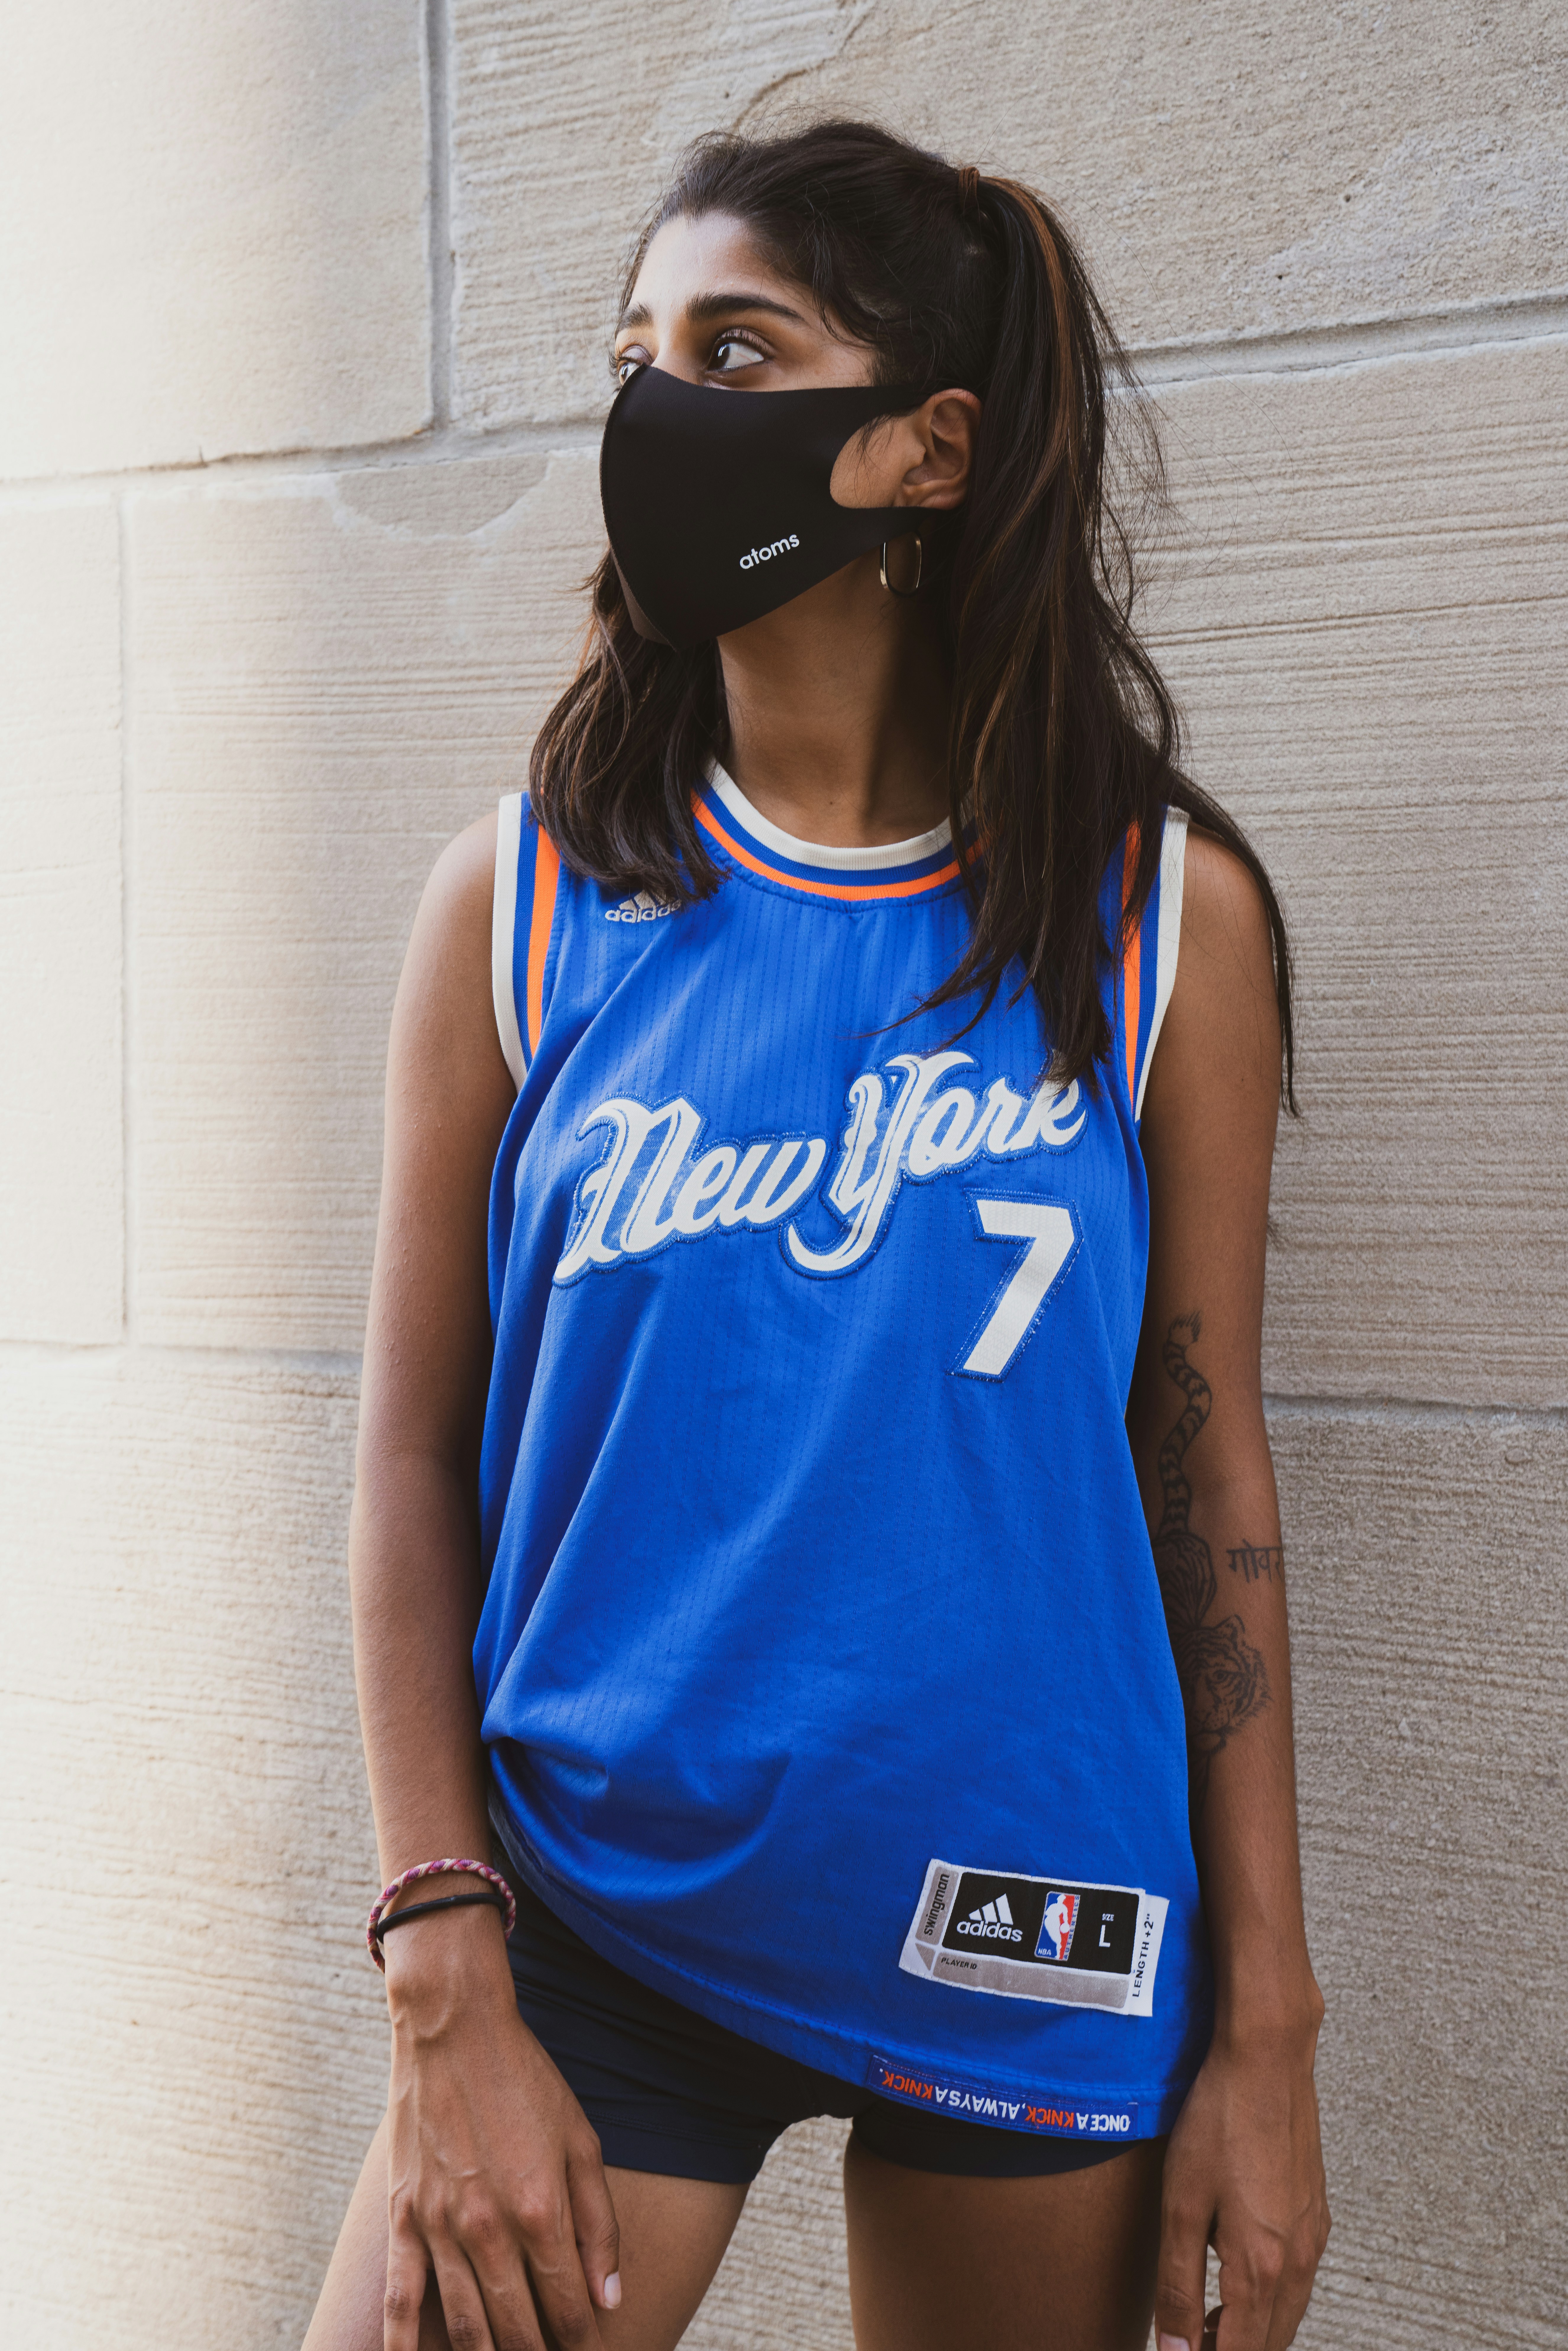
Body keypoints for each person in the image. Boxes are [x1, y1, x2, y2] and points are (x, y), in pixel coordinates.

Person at [303, 119, 1329, 2351]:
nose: (655, 414)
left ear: (923, 451)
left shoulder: (1159, 920)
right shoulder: (531, 901)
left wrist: (1269, 2033)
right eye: (634, 356)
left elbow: (1204, 1473)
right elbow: (406, 1459)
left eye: (734, 350)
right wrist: (437, 1952)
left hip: (1031, 1911)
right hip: (587, 1908)